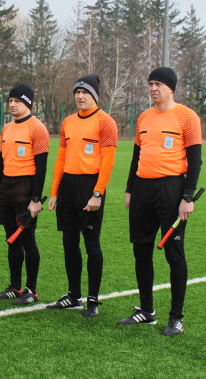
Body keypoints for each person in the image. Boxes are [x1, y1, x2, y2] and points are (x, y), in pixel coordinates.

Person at [119, 67, 201, 336]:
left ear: (170, 88)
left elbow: (196, 161)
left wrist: (187, 197)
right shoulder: (144, 117)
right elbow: (136, 157)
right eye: (150, 83)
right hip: (142, 189)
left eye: (158, 84)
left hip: (171, 189)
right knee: (141, 251)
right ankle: (146, 311)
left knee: (174, 253)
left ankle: (176, 317)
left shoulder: (187, 117)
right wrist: (130, 189)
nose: (153, 88)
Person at [47, 74, 118, 317]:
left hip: (90, 186)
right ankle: (73, 296)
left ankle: (93, 300)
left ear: (94, 95)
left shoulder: (106, 122)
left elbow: (108, 161)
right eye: (77, 92)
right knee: (69, 243)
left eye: (85, 92)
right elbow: (60, 159)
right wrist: (54, 192)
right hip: (68, 186)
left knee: (91, 244)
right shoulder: (68, 122)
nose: (80, 96)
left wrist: (98, 193)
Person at [0, 83, 48, 303]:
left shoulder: (37, 128)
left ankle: (31, 290)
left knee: (27, 240)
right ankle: (14, 286)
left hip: (26, 187)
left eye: (18, 101)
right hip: (6, 187)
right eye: (11, 101)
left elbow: (41, 168)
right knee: (11, 239)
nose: (13, 105)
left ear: (28, 103)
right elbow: (0, 163)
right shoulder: (6, 128)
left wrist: (35, 199)